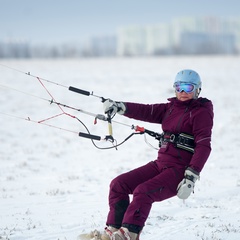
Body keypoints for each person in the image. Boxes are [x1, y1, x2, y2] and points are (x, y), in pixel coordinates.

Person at [94, 69, 214, 240]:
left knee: (143, 192)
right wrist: (121, 106)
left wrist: (191, 176)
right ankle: (113, 230)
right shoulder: (171, 107)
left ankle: (129, 234)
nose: (183, 92)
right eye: (179, 87)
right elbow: (146, 111)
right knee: (118, 184)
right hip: (160, 164)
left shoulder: (201, 112)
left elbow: (204, 145)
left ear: (197, 90)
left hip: (178, 171)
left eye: (188, 87)